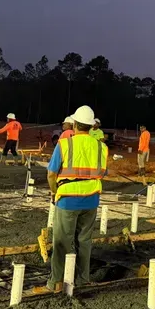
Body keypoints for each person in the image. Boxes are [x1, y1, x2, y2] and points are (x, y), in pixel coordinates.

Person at [47, 105, 107, 291]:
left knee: (62, 241)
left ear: (74, 124)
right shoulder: (101, 147)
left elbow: (51, 173)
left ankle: (56, 280)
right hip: (91, 200)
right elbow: (102, 173)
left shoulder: (65, 144)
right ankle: (82, 278)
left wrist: (53, 191)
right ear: (90, 126)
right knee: (84, 241)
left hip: (67, 199)